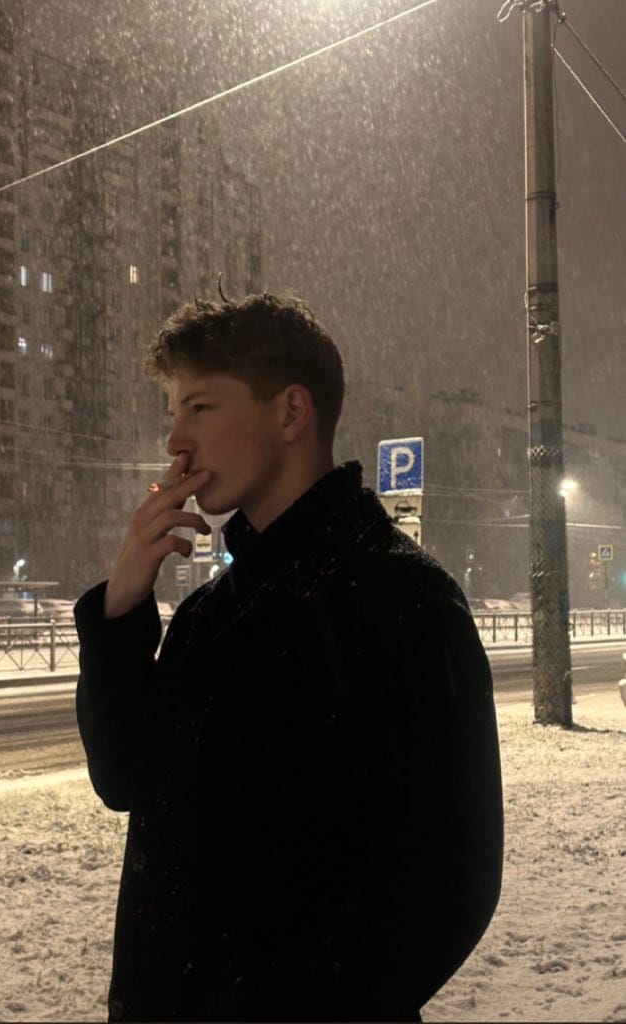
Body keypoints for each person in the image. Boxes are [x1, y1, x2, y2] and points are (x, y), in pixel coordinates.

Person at [75, 292, 503, 1023]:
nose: (175, 443)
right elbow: (123, 780)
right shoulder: (211, 612)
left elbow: (448, 886)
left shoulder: (399, 597)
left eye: (199, 408)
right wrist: (121, 606)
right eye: (174, 413)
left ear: (291, 413)